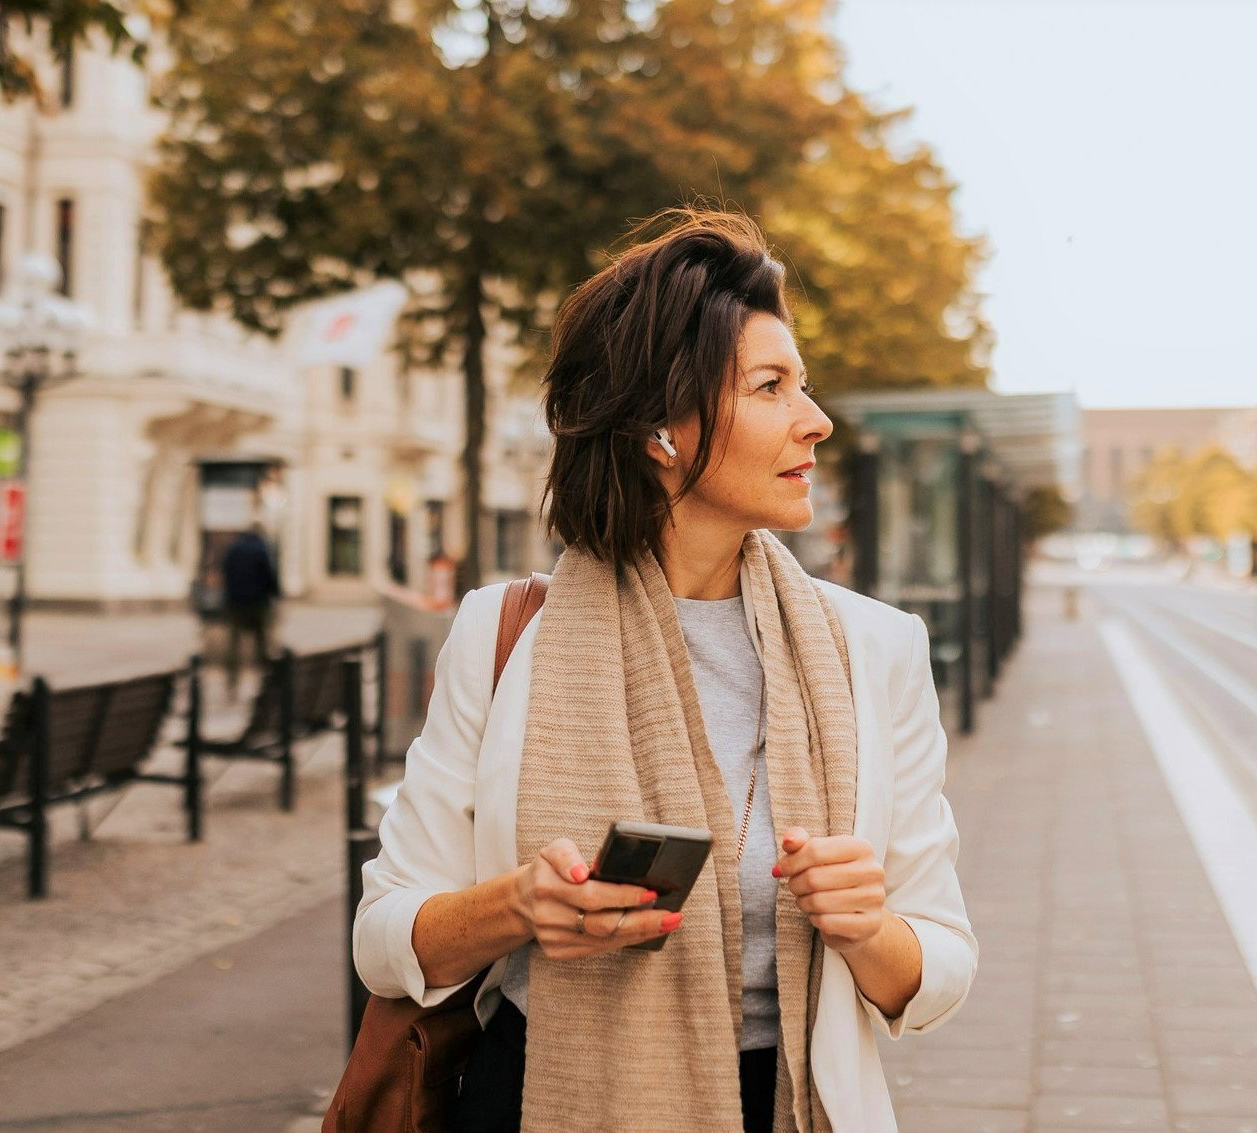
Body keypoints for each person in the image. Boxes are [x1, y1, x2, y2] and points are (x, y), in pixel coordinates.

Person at [353, 210, 975, 1133]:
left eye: (803, 385)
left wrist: (865, 926)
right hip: (538, 1100)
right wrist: (518, 905)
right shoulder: (503, 633)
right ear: (660, 430)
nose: (817, 420)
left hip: (787, 1106)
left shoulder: (874, 648)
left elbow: (941, 968)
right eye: (772, 387)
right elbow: (384, 940)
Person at [219, 524, 281, 697]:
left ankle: (231, 683)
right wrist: (274, 596)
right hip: (257, 603)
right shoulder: (261, 550)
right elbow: (270, 577)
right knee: (261, 644)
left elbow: (226, 574)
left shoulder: (234, 550)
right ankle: (266, 681)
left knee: (234, 644)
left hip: (235, 604)